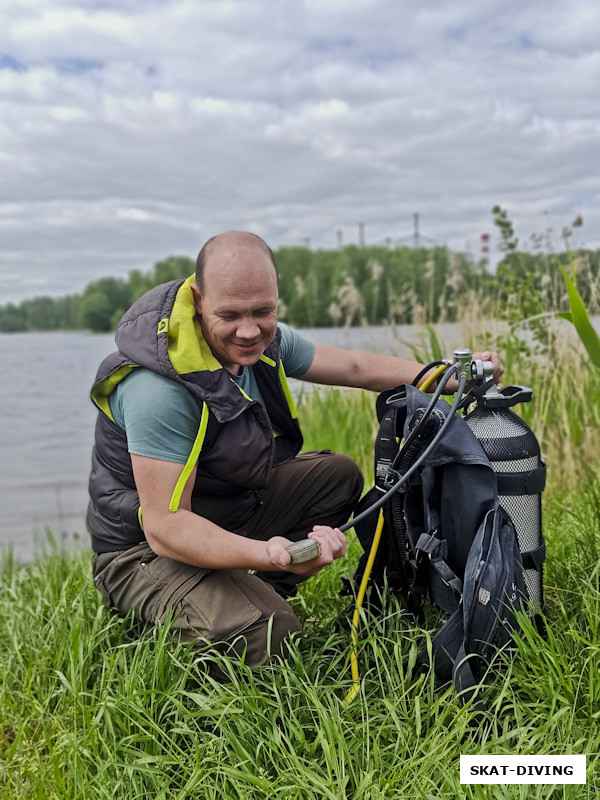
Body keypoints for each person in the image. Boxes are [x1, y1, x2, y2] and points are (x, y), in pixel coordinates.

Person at [88, 231, 503, 668]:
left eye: (263, 311)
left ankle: (252, 593)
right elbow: (165, 526)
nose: (249, 331)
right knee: (270, 631)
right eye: (229, 315)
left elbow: (355, 367)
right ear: (198, 297)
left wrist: (444, 376)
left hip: (214, 510)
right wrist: (269, 551)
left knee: (336, 477)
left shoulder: (265, 341)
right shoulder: (159, 389)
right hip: (141, 550)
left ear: (276, 296)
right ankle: (218, 609)